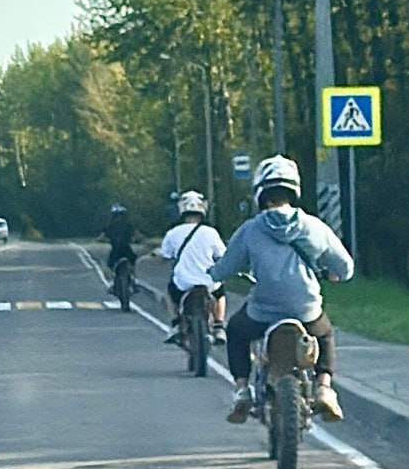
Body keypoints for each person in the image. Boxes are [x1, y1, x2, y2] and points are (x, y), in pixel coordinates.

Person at [207, 155, 353, 424]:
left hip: (262, 313)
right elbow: (345, 268)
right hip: (306, 310)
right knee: (325, 334)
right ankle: (324, 388)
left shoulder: (250, 230)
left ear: (261, 193)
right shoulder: (314, 226)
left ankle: (242, 390)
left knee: (236, 331)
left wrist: (213, 273)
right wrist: (334, 274)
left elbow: (224, 269)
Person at [156, 190, 228, 345]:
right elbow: (222, 255)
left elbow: (165, 256)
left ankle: (176, 323)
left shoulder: (172, 233)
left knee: (169, 292)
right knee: (220, 293)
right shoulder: (211, 232)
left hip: (183, 283)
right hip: (208, 282)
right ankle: (219, 325)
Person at [100, 203, 139, 294]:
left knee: (108, 265)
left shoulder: (110, 227)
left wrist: (108, 240)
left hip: (116, 251)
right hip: (126, 251)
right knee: (132, 262)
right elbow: (137, 236)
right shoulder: (128, 226)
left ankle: (111, 283)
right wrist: (135, 240)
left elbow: (101, 238)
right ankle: (134, 280)